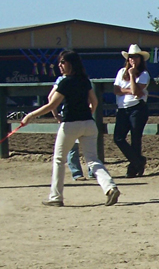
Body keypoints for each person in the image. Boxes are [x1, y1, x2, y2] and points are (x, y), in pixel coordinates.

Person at [20, 50, 120, 207]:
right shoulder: (84, 81)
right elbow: (94, 102)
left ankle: (56, 197)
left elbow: (52, 104)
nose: (59, 65)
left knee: (59, 160)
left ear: (71, 64)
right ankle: (110, 187)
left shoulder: (65, 82)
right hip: (88, 123)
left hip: (70, 124)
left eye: (63, 62)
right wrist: (88, 114)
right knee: (93, 160)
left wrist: (30, 116)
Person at [113, 44, 151, 177]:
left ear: (140, 59)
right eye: (130, 57)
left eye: (135, 57)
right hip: (123, 109)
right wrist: (130, 91)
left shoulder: (144, 74)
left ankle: (133, 167)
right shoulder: (120, 72)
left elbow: (136, 91)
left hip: (137, 108)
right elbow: (116, 90)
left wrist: (132, 75)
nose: (132, 60)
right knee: (118, 137)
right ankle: (138, 161)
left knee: (136, 138)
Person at [47, 75, 90, 182]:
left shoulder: (63, 80)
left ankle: (77, 173)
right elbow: (92, 99)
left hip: (70, 116)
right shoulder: (83, 79)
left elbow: (50, 98)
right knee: (88, 148)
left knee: (72, 146)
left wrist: (56, 115)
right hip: (83, 116)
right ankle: (89, 171)